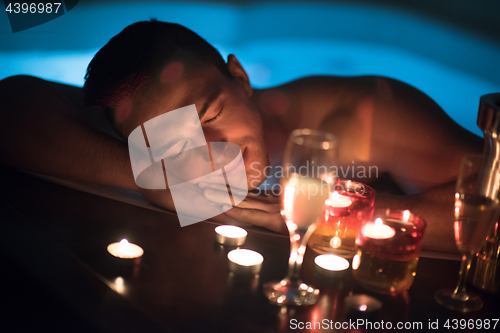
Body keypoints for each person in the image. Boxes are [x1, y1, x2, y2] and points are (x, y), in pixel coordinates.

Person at [0, 20, 483, 253]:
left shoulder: (368, 115)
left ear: (241, 77)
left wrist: (336, 217)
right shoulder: (149, 157)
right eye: (171, 143)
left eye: (210, 115)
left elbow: (491, 200)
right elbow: (10, 105)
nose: (210, 152)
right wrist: (152, 179)